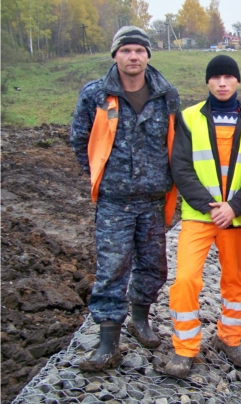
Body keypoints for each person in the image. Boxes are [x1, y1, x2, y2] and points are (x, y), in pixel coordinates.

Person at [70, 26, 180, 371]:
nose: (133, 57)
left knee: (153, 267)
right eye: (126, 50)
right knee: (111, 270)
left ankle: (140, 318)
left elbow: (178, 144)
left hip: (152, 201)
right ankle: (108, 343)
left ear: (148, 55)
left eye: (139, 51)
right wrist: (103, 177)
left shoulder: (167, 95)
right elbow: (79, 140)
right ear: (115, 55)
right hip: (114, 201)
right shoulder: (96, 95)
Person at [165, 55, 241, 378]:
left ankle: (229, 339)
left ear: (238, 82)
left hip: (235, 219)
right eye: (216, 78)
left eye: (228, 77)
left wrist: (233, 207)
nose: (222, 83)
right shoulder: (189, 118)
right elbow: (180, 167)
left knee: (234, 282)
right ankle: (184, 348)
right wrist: (212, 206)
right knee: (185, 280)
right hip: (199, 216)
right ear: (207, 82)